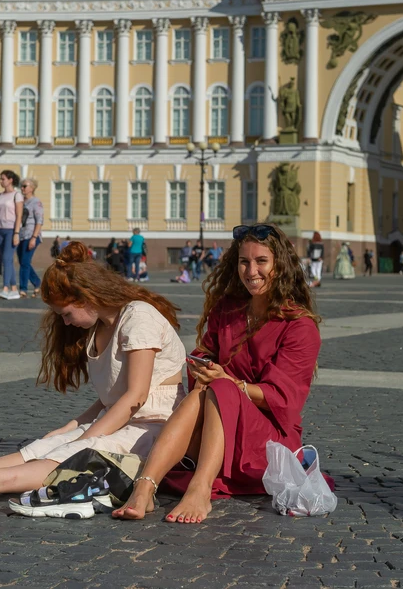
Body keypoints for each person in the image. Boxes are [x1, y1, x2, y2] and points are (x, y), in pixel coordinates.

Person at [0, 242, 187, 512]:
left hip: (154, 428)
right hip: (122, 420)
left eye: (66, 313)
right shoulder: (99, 328)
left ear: (87, 297)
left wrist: (82, 438)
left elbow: (135, 397)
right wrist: (68, 428)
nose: (65, 321)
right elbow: (108, 401)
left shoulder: (139, 318)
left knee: (80, 452)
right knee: (46, 445)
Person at [113, 223, 322, 523]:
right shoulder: (228, 310)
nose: (251, 271)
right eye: (244, 262)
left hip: (270, 442)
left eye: (261, 261)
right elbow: (204, 353)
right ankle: (144, 488)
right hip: (219, 425)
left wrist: (231, 382)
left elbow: (284, 401)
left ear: (281, 265)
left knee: (222, 388)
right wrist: (204, 366)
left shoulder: (299, 327)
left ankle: (200, 488)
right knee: (206, 388)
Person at [0, 170, 23, 300]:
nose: (1, 181)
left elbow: (19, 215)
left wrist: (16, 233)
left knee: (6, 259)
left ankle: (5, 288)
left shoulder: (17, 195)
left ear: (10, 180)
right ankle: (14, 289)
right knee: (7, 260)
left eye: (3, 179)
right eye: (0, 178)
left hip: (11, 230)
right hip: (0, 230)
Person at [18, 178, 44, 298]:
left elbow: (39, 221)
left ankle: (23, 289)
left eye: (25, 186)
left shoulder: (36, 202)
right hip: (21, 236)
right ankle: (37, 282)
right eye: (21, 186)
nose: (22, 188)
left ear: (32, 188)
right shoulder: (21, 202)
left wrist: (34, 237)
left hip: (32, 235)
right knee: (23, 262)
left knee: (25, 262)